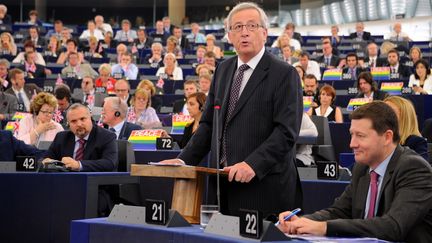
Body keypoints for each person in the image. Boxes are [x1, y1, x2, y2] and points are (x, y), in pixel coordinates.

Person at [160, 2, 303, 218]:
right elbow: (209, 124)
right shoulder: (223, 70)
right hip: (222, 186)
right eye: (237, 27)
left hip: (264, 187)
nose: (244, 32)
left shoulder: (284, 74)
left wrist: (252, 164)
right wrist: (183, 160)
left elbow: (286, 132)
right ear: (229, 35)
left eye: (252, 26)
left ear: (264, 33)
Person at [278, 101, 432, 242]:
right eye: (352, 134)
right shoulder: (362, 167)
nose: (352, 144)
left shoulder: (414, 168)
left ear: (387, 137)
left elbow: (393, 227)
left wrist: (324, 227)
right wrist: (301, 222)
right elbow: (339, 211)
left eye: (360, 136)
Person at [43, 103, 118, 172]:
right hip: (65, 182)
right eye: (73, 121)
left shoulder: (107, 136)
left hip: (94, 184)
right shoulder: (61, 137)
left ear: (90, 118)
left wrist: (79, 165)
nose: (79, 124)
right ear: (68, 124)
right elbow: (44, 160)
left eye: (82, 119)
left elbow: (109, 163)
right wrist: (48, 163)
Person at [384, 96, 428, 161]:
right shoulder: (377, 138)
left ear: (404, 117)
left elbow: (421, 168)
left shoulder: (416, 142)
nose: (383, 115)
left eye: (389, 112)